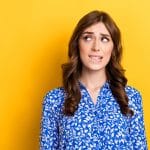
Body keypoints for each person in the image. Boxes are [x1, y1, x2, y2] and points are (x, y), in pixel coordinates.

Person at [40, 10, 148, 149]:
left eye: (104, 39)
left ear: (113, 48)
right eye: (88, 38)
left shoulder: (131, 98)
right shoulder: (54, 100)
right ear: (77, 44)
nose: (96, 47)